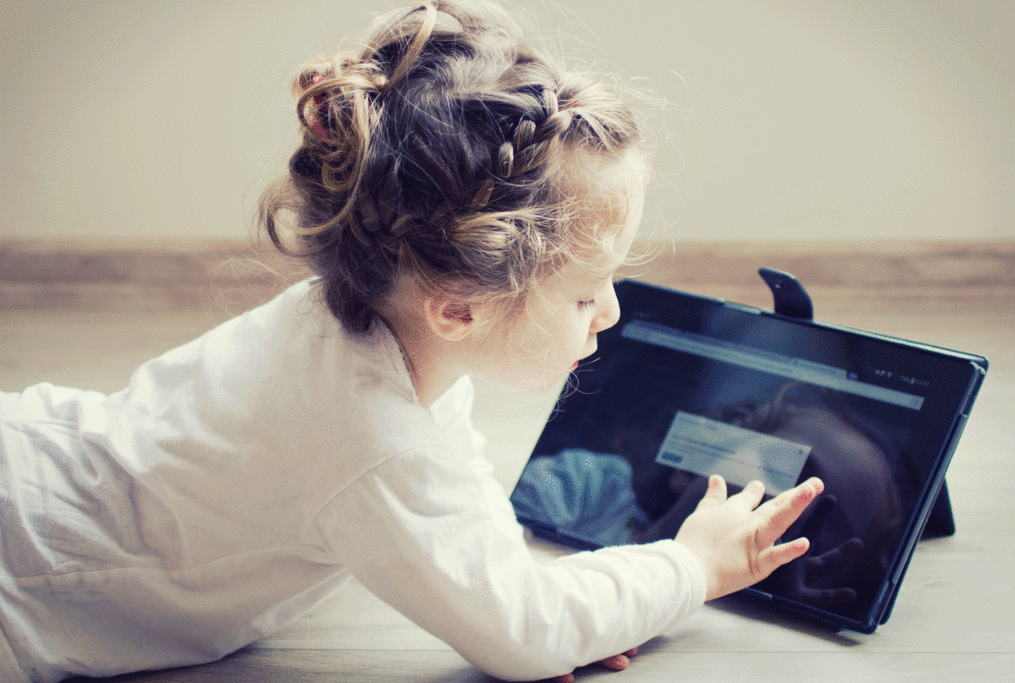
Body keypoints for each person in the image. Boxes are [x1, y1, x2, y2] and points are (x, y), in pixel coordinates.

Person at [0, 2, 824, 681]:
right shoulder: (371, 439)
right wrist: (691, 570)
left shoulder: (357, 319)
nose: (608, 310)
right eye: (583, 290)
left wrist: (579, 608)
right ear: (458, 306)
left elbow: (479, 549)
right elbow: (522, 634)